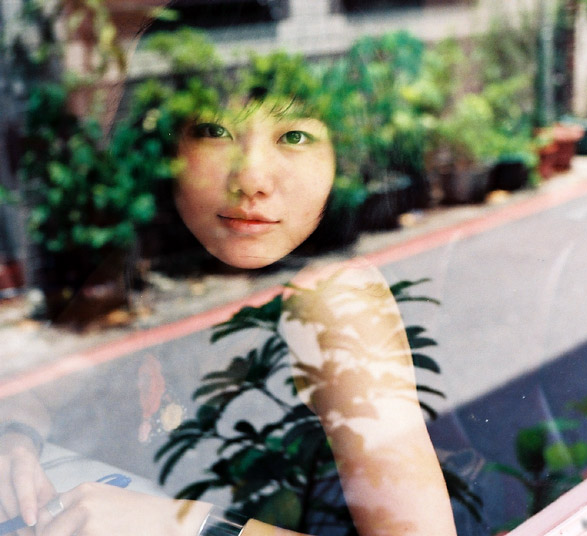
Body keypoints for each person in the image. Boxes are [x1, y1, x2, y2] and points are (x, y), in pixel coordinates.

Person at [0, 7, 458, 536]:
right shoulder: (153, 266)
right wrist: (16, 440)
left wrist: (187, 527)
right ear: (166, 147)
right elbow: (45, 386)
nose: (252, 178)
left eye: (294, 136)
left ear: (341, 153)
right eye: (215, 131)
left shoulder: (333, 301)